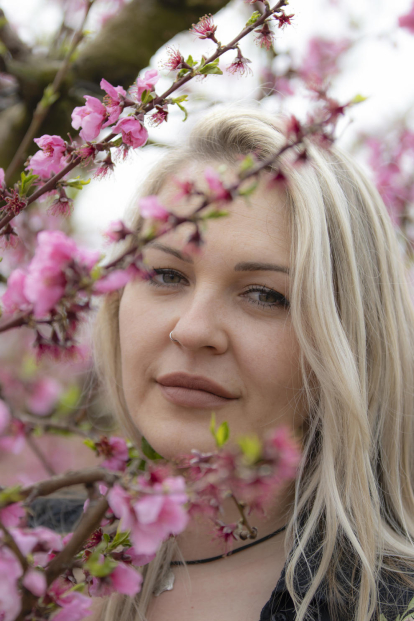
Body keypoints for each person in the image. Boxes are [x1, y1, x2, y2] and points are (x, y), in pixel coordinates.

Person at [91, 105, 414, 621]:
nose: (193, 330)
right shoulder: (27, 555)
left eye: (263, 294)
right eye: (167, 276)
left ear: (348, 344)